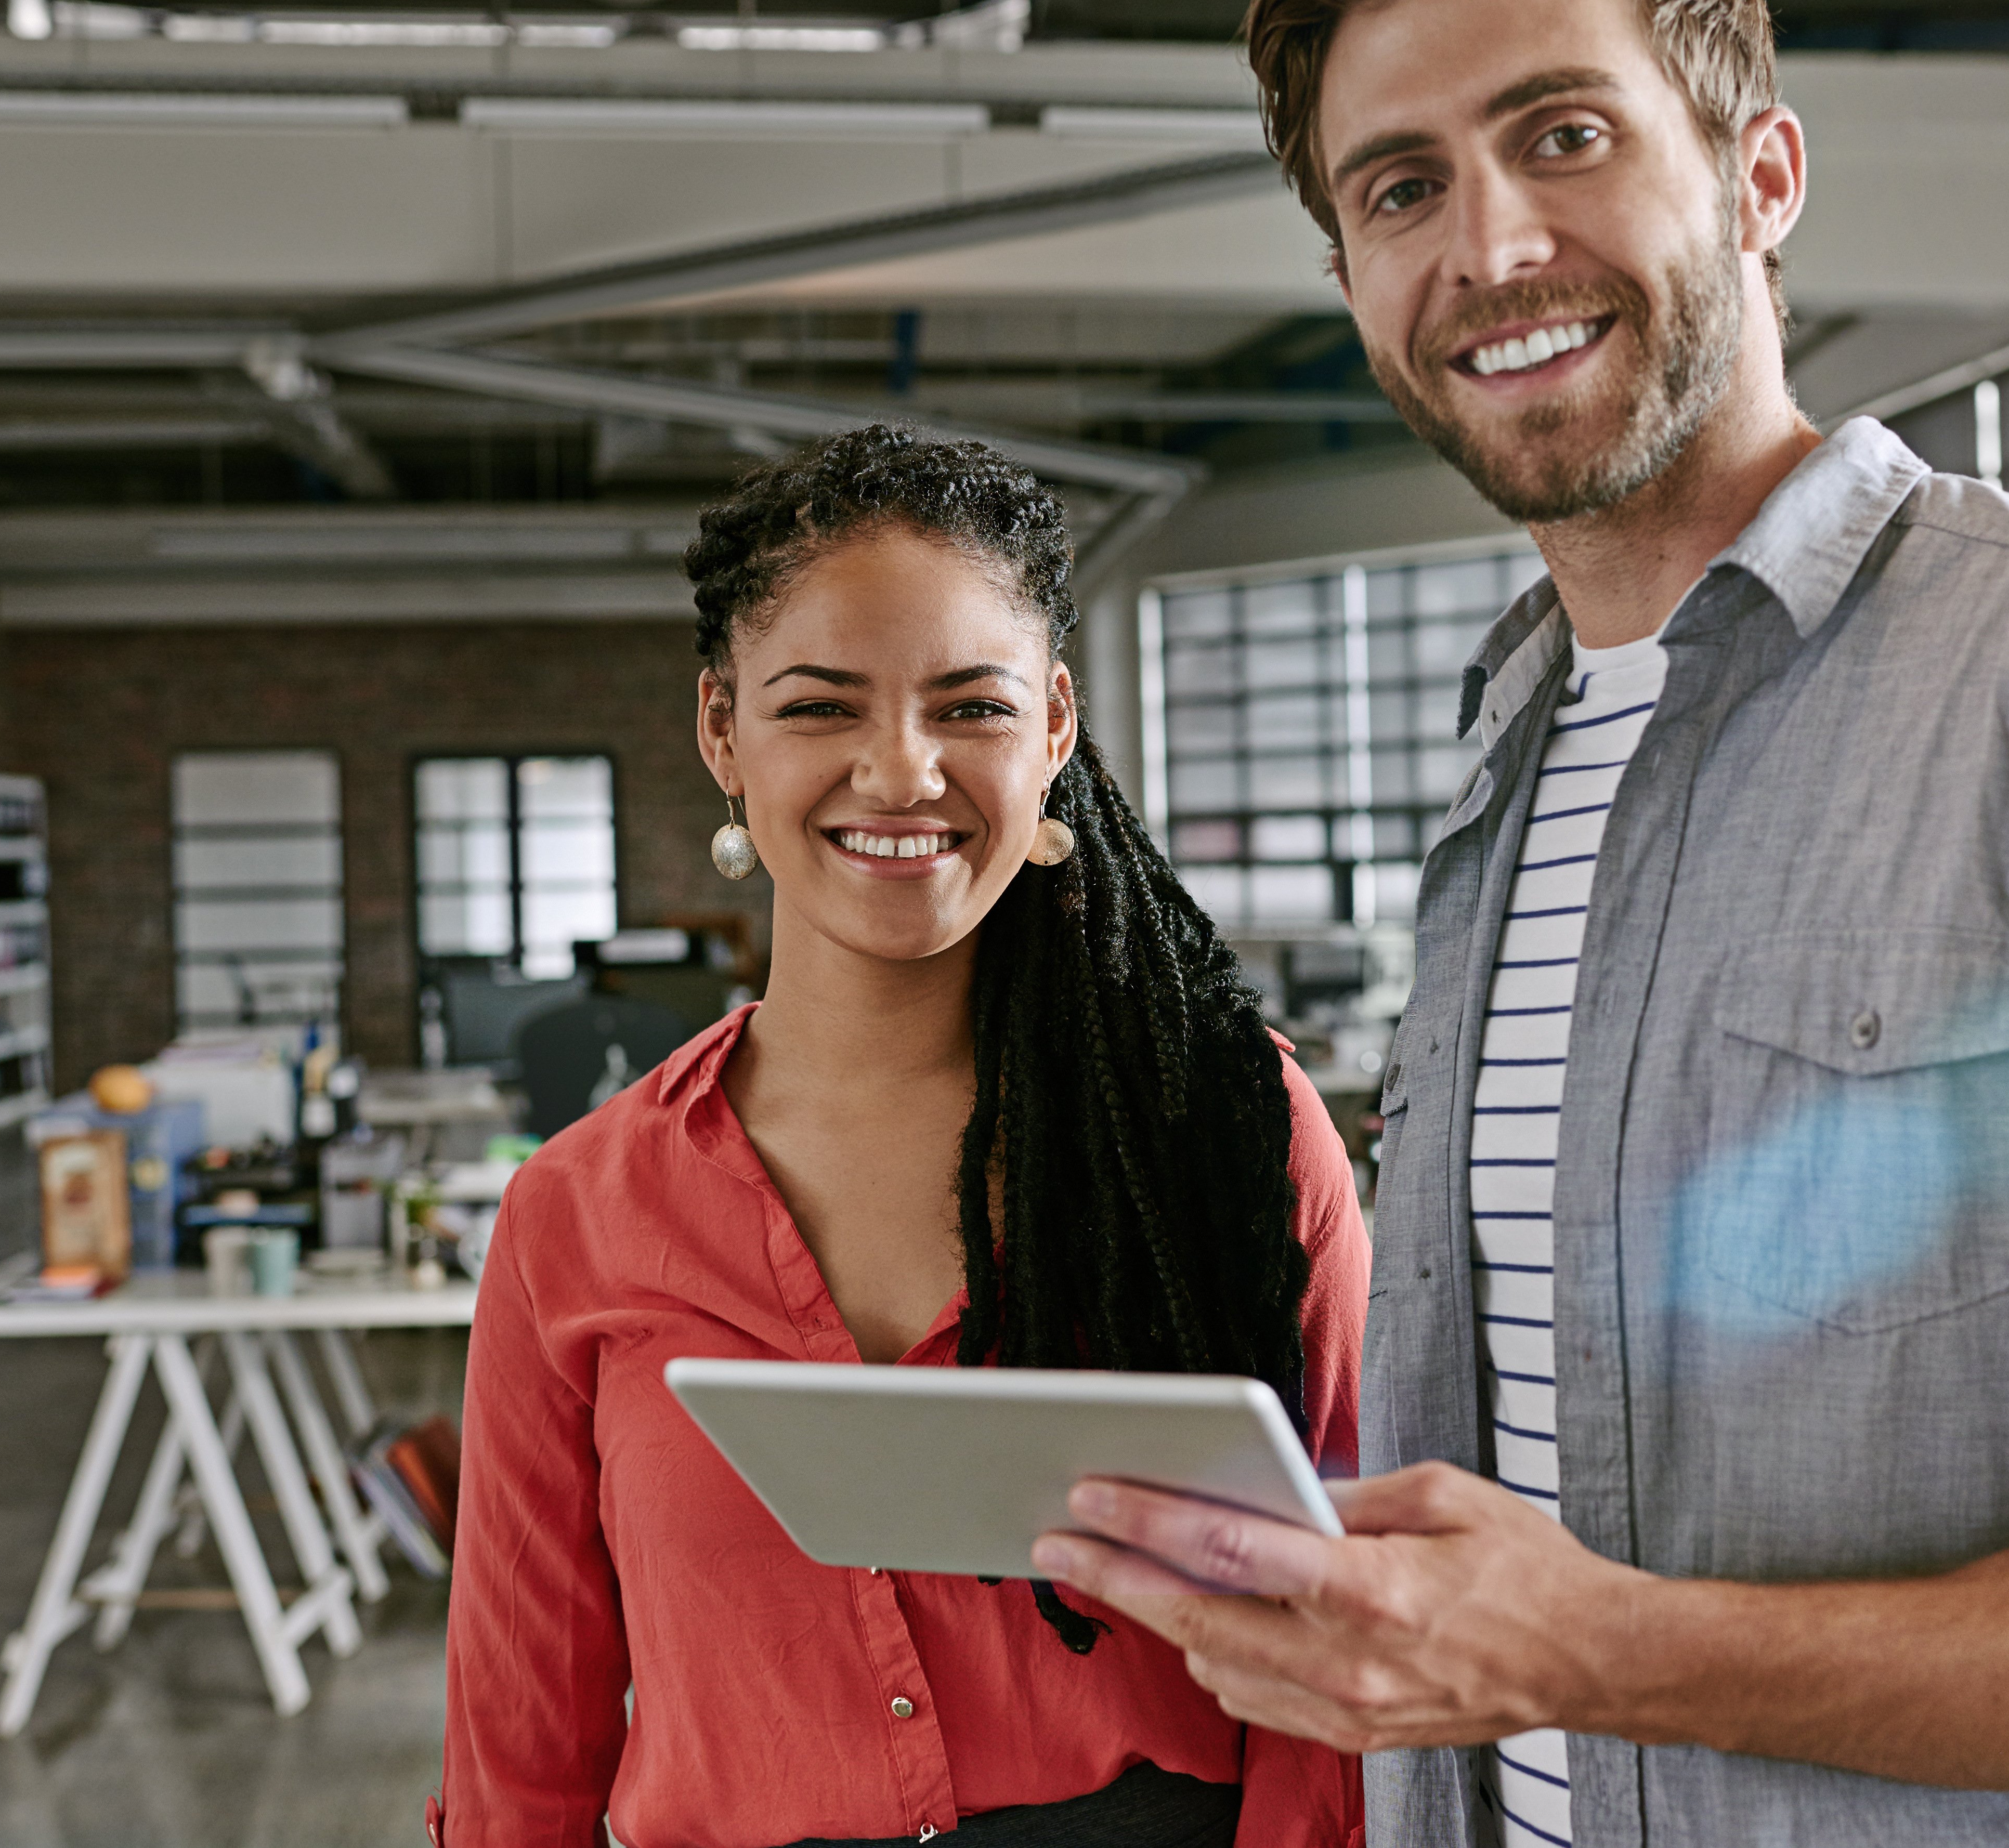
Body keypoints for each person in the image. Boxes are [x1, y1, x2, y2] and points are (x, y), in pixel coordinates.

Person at [1029, 0, 2009, 1843]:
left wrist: (1601, 1648)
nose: (1490, 249)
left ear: (1762, 178)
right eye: (1404, 188)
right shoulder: (1509, 761)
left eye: (1563, 135)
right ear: (1351, 276)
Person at [432, 426, 1367, 1848]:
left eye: (968, 707)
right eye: (820, 707)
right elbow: (519, 1745)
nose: (901, 770)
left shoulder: (1233, 1131)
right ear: (721, 731)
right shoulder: (578, 1213)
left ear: (1053, 725)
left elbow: (1343, 1660)